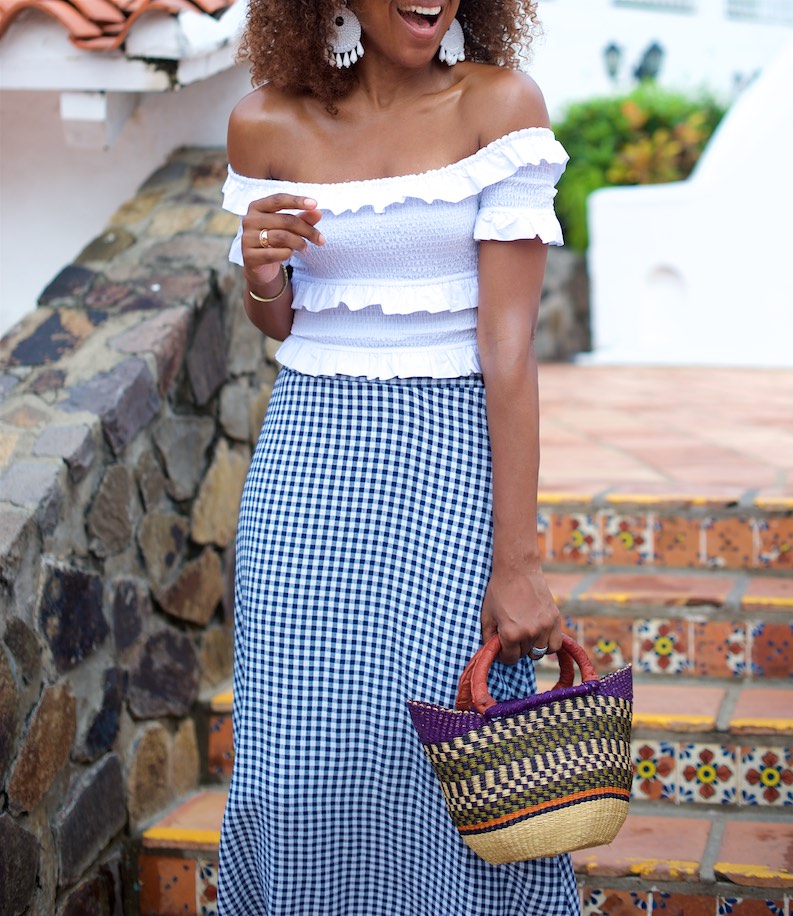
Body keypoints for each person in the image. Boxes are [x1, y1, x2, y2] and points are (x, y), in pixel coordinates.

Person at [217, 0, 577, 912]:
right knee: (294, 769)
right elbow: (281, 322)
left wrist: (520, 561)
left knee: (450, 766)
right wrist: (262, 276)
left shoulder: (501, 109)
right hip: (307, 470)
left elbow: (508, 351)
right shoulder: (264, 123)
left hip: (450, 465)